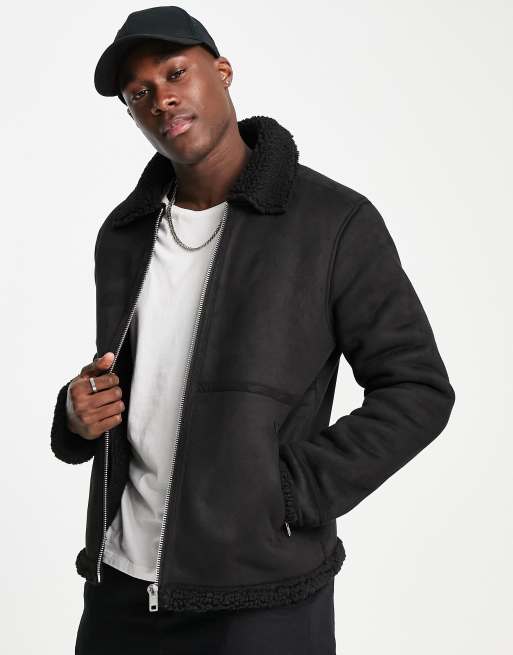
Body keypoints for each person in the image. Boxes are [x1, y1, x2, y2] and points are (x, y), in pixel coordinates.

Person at [49, 6, 456, 654]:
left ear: (222, 71)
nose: (162, 99)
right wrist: (76, 414)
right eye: (139, 94)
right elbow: (144, 385)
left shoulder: (331, 223)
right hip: (120, 593)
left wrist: (291, 490)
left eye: (175, 73)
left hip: (261, 601)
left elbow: (417, 388)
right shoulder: (123, 235)